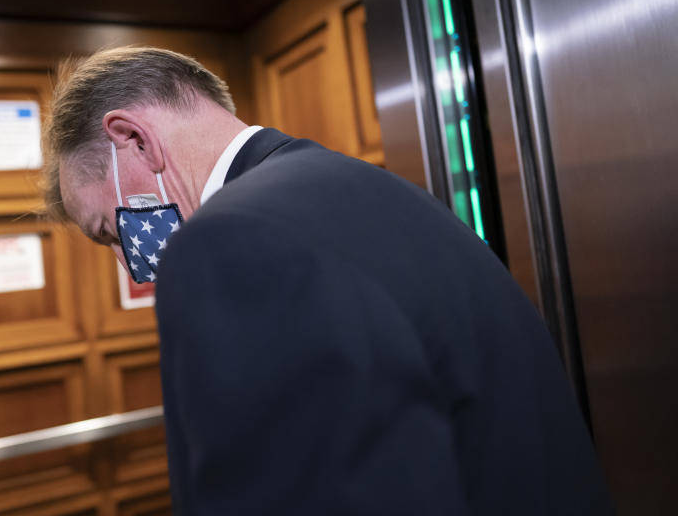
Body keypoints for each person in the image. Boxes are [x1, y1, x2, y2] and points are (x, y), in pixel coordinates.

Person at [42, 46, 612, 515]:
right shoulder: (372, 189)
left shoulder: (227, 241)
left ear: (133, 139)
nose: (129, 264)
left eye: (108, 232)